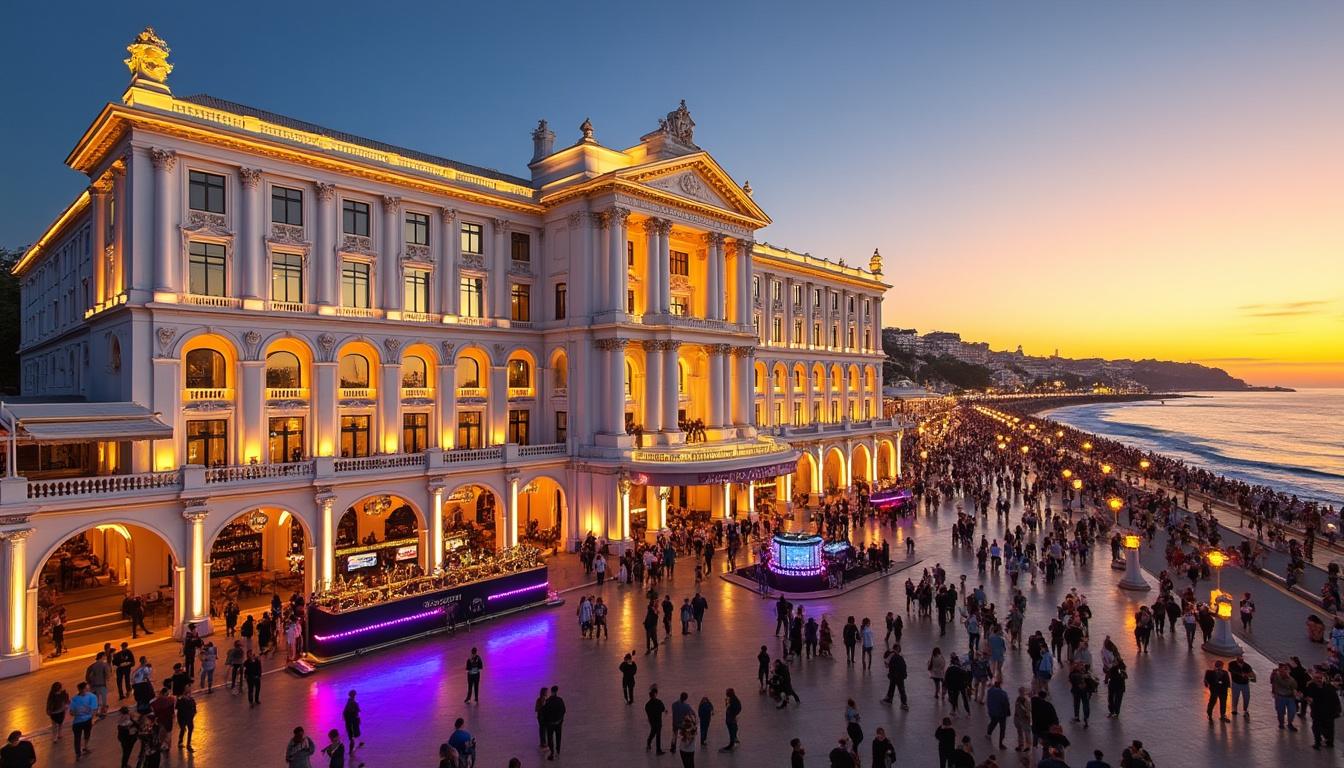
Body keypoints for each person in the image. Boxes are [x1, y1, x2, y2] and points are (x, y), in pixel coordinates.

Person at [1302, 670, 1340, 750]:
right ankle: (1317, 743)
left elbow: (1336, 699)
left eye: (1320, 678)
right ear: (1313, 678)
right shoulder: (1311, 686)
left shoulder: (1329, 687)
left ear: (1323, 678)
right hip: (1317, 712)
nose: (1319, 679)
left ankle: (1329, 742)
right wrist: (1308, 698)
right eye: (1316, 678)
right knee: (1316, 727)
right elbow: (1307, 696)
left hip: (1329, 712)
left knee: (1329, 728)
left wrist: (1337, 710)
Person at [69, 682, 97, 759]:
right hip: (82, 721)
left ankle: (82, 750)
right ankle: (81, 750)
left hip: (81, 721)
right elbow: (71, 712)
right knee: (80, 736)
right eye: (86, 688)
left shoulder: (75, 699)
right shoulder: (91, 697)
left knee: (83, 736)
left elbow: (94, 709)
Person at [1270, 661, 1299, 730]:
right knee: (1280, 711)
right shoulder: (1276, 675)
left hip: (1290, 697)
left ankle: (1289, 723)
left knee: (1292, 711)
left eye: (1286, 670)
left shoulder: (1291, 680)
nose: (1284, 671)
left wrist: (1296, 696)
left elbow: (1294, 688)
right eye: (1282, 669)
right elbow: (1272, 681)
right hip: (1280, 696)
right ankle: (1281, 723)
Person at [541, 685, 566, 760]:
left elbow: (544, 712)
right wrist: (560, 720)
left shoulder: (548, 701)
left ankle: (552, 752)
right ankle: (558, 750)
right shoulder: (560, 700)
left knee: (550, 738)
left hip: (550, 724)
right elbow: (563, 710)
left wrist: (545, 722)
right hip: (558, 723)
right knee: (558, 737)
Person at [85, 652, 112, 718]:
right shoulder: (104, 665)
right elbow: (107, 676)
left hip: (93, 686)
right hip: (102, 685)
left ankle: (96, 713)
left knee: (95, 701)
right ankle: (103, 713)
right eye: (105, 656)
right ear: (102, 656)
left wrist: (90, 684)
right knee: (103, 700)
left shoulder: (91, 666)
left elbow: (87, 677)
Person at [985, 679, 1010, 749]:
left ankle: (988, 733)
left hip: (993, 712)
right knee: (1002, 728)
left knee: (993, 723)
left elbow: (988, 701)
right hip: (1001, 713)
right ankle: (1000, 743)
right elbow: (1006, 704)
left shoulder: (989, 691)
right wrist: (1007, 712)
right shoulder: (1003, 693)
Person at [645, 686, 667, 754]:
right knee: (658, 735)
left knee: (653, 732)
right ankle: (658, 750)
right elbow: (663, 709)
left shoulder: (647, 705)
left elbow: (648, 713)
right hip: (658, 721)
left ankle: (649, 742)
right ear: (655, 695)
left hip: (652, 721)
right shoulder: (659, 702)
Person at [175, 687, 196, 752]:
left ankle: (187, 744)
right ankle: (181, 741)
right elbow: (177, 709)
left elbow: (194, 709)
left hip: (188, 718)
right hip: (183, 718)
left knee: (188, 730)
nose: (189, 694)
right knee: (183, 729)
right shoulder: (181, 700)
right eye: (188, 693)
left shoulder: (191, 700)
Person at [343, 690, 363, 754]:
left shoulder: (348, 703)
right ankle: (351, 751)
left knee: (352, 734)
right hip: (352, 721)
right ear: (354, 695)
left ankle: (356, 745)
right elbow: (358, 711)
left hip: (349, 722)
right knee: (354, 734)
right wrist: (358, 719)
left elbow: (344, 713)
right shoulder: (354, 703)